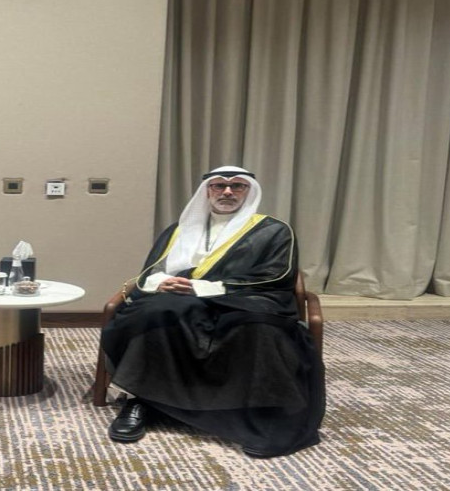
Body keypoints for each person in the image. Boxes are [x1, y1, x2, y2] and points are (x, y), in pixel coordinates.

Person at [100, 165, 324, 457]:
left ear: (249, 192)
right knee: (154, 314)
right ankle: (142, 401)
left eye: (237, 186)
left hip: (247, 297)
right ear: (207, 191)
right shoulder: (179, 229)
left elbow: (277, 276)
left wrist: (205, 288)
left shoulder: (274, 230)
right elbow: (152, 271)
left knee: (258, 325)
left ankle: (263, 415)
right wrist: (162, 282)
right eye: (219, 186)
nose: (227, 192)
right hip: (182, 297)